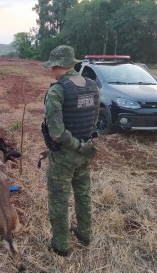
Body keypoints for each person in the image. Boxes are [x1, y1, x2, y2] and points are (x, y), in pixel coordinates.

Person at [41, 45, 99, 256]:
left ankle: (61, 245)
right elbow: (93, 121)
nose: (51, 70)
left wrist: (75, 146)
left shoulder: (58, 90)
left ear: (59, 65)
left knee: (58, 199)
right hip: (85, 152)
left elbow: (56, 132)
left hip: (65, 155)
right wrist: (84, 146)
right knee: (83, 194)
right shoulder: (92, 86)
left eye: (53, 66)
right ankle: (84, 234)